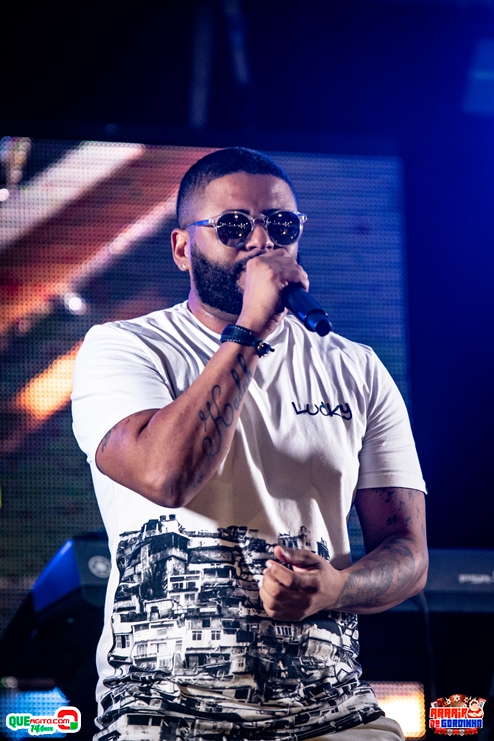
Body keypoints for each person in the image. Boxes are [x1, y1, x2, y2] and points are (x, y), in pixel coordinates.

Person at [72, 147, 428, 741]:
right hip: (164, 712)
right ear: (182, 248)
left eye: (281, 225)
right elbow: (165, 477)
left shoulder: (357, 368)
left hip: (333, 710)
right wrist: (250, 330)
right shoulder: (124, 348)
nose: (262, 241)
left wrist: (337, 588)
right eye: (235, 226)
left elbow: (408, 554)